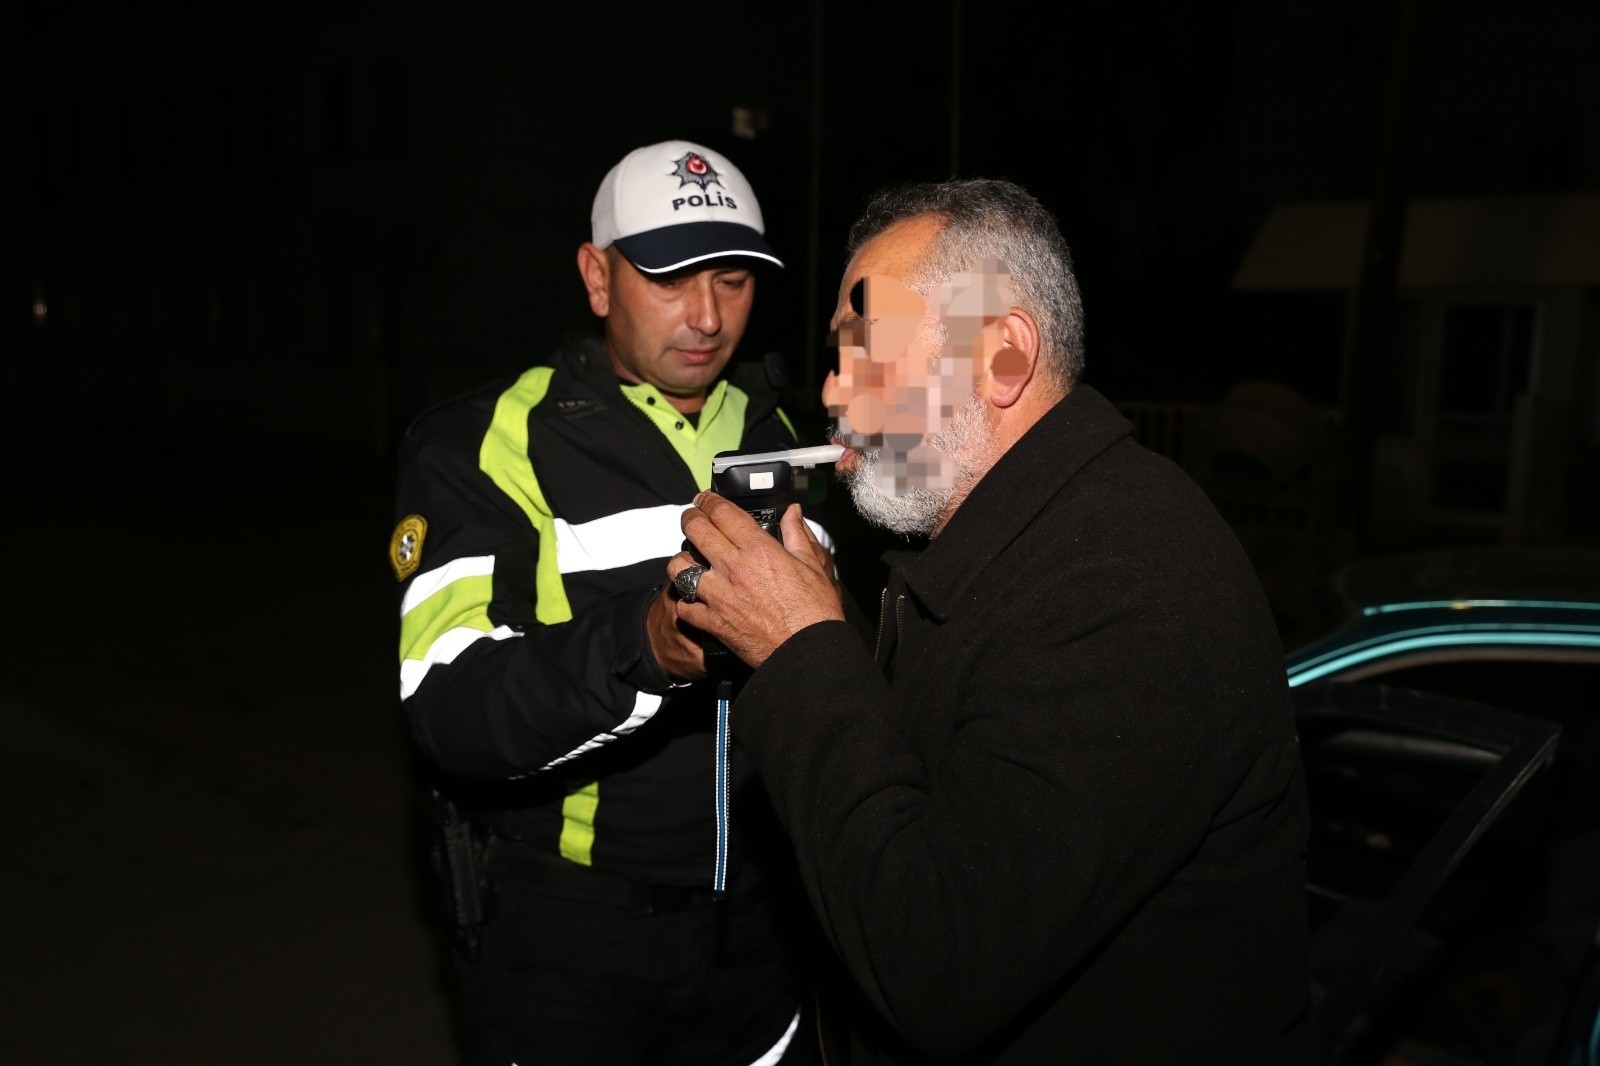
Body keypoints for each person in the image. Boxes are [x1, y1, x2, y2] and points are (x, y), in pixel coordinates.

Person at [668, 179, 1318, 1064]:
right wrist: (813, 619)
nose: (832, 388)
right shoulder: (1012, 543)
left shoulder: (1126, 580)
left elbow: (938, 961)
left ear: (1002, 355)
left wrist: (799, 651)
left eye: (867, 346)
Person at [390, 139, 825, 1066]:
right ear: (597, 277)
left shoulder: (784, 432)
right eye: (669, 276)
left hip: (765, 928)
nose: (707, 315)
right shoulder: (484, 442)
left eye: (733, 279)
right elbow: (451, 707)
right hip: (571, 939)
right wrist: (648, 643)